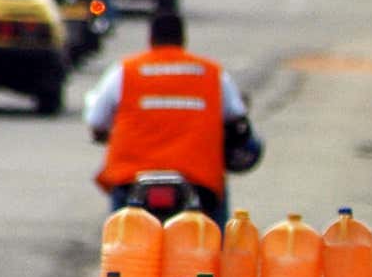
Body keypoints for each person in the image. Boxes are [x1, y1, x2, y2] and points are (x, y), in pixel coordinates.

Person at [84, 12, 254, 227]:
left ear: (151, 39)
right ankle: (216, 251)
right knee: (213, 229)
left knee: (120, 230)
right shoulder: (213, 73)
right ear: (183, 39)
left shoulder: (124, 71)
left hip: (132, 177)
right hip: (198, 179)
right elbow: (237, 117)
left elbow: (96, 119)